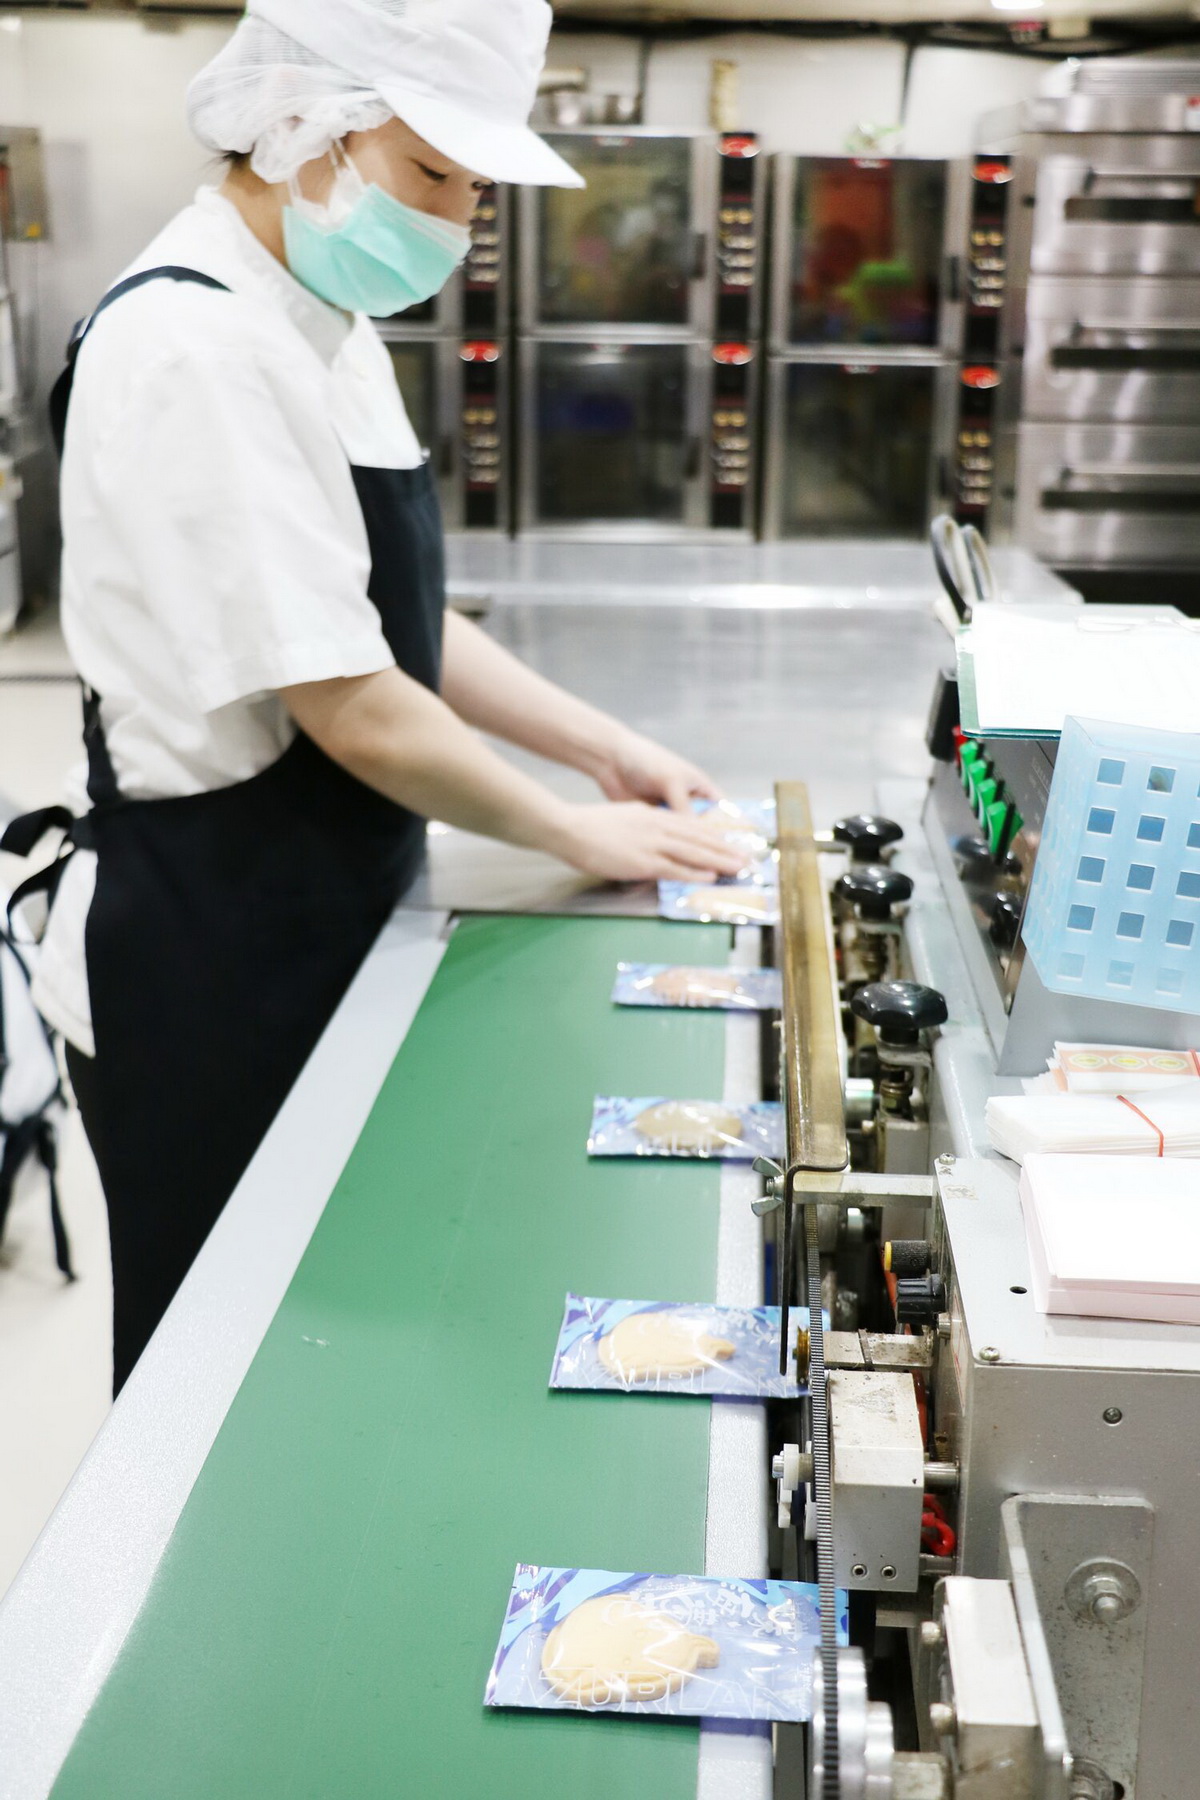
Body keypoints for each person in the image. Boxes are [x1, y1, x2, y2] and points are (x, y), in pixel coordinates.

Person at [5, 0, 742, 1395]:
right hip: (211, 949)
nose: (460, 222)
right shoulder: (193, 348)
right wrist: (571, 833)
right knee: (221, 1374)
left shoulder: (321, 323)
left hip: (323, 901)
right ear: (302, 129)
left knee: (340, 1337)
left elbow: (391, 621)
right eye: (434, 175)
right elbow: (349, 700)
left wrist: (605, 750)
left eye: (474, 188)